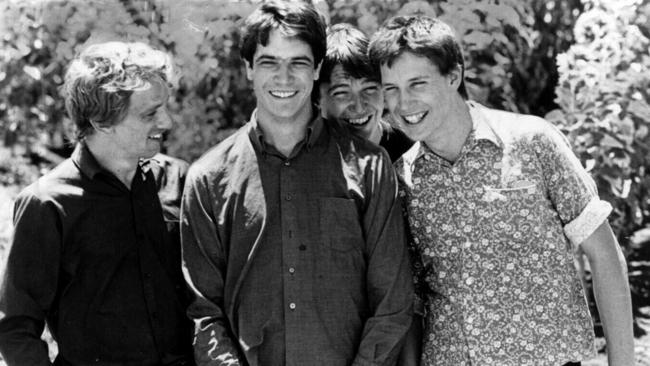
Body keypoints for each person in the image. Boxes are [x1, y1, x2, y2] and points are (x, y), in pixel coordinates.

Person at [369, 15, 635, 366]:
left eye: (417, 84)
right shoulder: (402, 180)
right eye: (392, 89)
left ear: (454, 76)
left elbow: (604, 257)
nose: (404, 103)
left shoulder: (532, 142)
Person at [180, 1, 414, 365]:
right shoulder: (208, 179)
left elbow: (391, 303)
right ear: (248, 69)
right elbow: (205, 312)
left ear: (317, 67)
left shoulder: (370, 167)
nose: (284, 78)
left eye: (299, 62)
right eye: (269, 62)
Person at [0, 42, 194, 365]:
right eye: (150, 113)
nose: (167, 122)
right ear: (102, 121)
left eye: (164, 107)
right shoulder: (46, 205)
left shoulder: (180, 180)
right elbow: (16, 328)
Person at [319, 23, 413, 162]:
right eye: (342, 93)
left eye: (369, 89)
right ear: (317, 99)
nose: (358, 107)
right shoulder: (302, 158)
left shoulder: (408, 157)